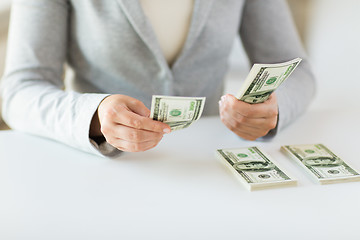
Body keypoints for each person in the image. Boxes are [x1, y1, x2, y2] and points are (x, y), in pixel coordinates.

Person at [0, 0, 316, 157]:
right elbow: (19, 91)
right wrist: (93, 117)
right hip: (103, 171)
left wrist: (274, 109)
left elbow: (297, 70)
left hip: (208, 168)